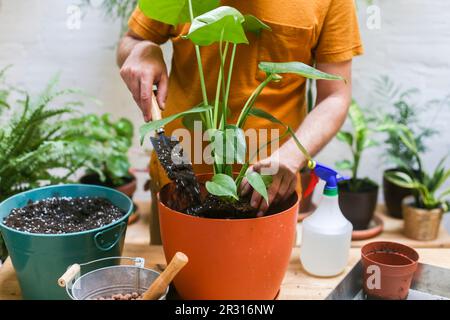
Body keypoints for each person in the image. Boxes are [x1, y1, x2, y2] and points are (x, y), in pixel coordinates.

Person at [117, 0, 363, 243]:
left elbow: (335, 95)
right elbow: (132, 41)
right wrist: (142, 51)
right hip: (177, 182)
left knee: (259, 278)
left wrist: (290, 157)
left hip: (266, 190)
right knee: (174, 276)